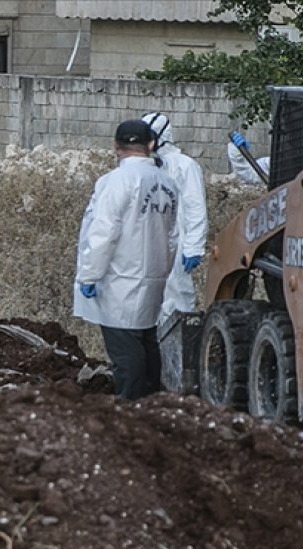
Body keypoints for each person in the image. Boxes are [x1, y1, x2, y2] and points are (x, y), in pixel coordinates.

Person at [74, 120, 180, 401]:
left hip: (120, 277)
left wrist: (89, 274)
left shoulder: (116, 181)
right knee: (147, 342)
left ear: (115, 146)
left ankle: (130, 408)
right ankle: (152, 402)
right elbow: (173, 236)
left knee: (126, 350)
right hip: (153, 275)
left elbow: (103, 233)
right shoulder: (167, 183)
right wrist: (164, 270)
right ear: (151, 145)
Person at [141, 112, 208, 323]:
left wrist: (193, 247)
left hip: (177, 244)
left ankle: (179, 348)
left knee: (178, 298)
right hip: (148, 244)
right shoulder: (145, 167)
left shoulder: (184, 166)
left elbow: (195, 208)